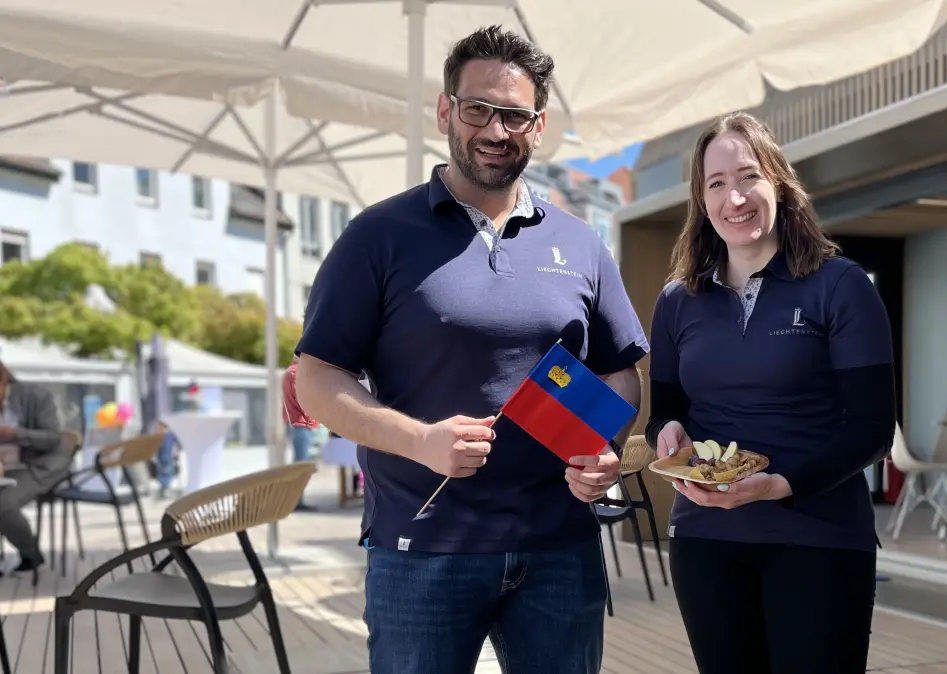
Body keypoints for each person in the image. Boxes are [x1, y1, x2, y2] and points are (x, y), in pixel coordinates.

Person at [292, 26, 646, 674]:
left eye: (514, 114)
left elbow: (620, 373)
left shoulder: (582, 244)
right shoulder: (378, 236)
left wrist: (604, 446)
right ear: (446, 111)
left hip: (559, 550)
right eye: (478, 108)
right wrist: (419, 440)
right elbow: (317, 378)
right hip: (421, 549)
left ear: (538, 127)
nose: (495, 129)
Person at [645, 112, 896, 673]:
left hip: (820, 539)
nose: (734, 197)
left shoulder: (842, 286)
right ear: (701, 200)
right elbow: (665, 413)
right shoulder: (676, 302)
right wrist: (667, 435)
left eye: (748, 176)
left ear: (778, 183)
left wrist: (779, 485)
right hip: (706, 540)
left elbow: (874, 430)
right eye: (716, 184)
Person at [0, 359, 72, 575]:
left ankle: (30, 554)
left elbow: (52, 438)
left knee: (3, 503)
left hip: (43, 465)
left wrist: (16, 434)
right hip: (9, 465)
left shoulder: (36, 396)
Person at [282, 356, 318, 511]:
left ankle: (297, 500)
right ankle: (297, 501)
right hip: (301, 424)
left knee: (300, 464)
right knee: (301, 465)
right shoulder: (297, 373)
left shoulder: (291, 372)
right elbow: (305, 400)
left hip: (297, 424)